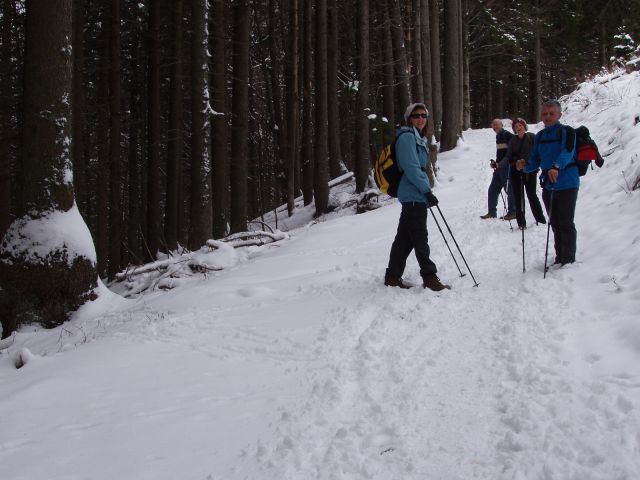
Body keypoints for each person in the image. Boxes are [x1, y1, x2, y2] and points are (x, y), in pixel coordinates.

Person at [384, 102, 450, 291]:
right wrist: (426, 191)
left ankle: (392, 276)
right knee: (420, 238)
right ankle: (429, 277)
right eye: (416, 115)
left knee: (404, 239)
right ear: (409, 118)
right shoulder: (407, 138)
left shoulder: (417, 138)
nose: (420, 119)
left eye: (423, 115)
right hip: (414, 194)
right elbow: (411, 168)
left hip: (414, 194)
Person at [516, 100, 578, 265]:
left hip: (567, 183)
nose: (548, 117)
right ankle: (560, 257)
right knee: (555, 222)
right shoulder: (540, 136)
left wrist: (556, 166)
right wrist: (525, 166)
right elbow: (536, 159)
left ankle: (569, 259)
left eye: (552, 114)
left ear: (559, 115)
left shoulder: (567, 131)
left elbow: (568, 152)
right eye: (545, 113)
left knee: (565, 221)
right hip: (548, 185)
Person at [504, 118, 546, 229]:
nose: (518, 128)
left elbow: (537, 153)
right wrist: (515, 162)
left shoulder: (532, 137)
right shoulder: (513, 140)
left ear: (524, 126)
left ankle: (540, 219)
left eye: (520, 125)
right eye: (516, 126)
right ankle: (521, 223)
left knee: (532, 195)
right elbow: (509, 156)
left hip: (530, 171)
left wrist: (528, 163)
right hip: (515, 171)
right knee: (518, 197)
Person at [480, 119, 516, 220]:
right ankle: (492, 212)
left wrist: (504, 162)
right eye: (493, 125)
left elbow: (512, 150)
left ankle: (513, 212)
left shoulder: (506, 134)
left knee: (509, 190)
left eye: (496, 124)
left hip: (506, 167)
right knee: (492, 190)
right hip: (499, 167)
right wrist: (495, 163)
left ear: (501, 125)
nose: (494, 127)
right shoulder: (499, 136)